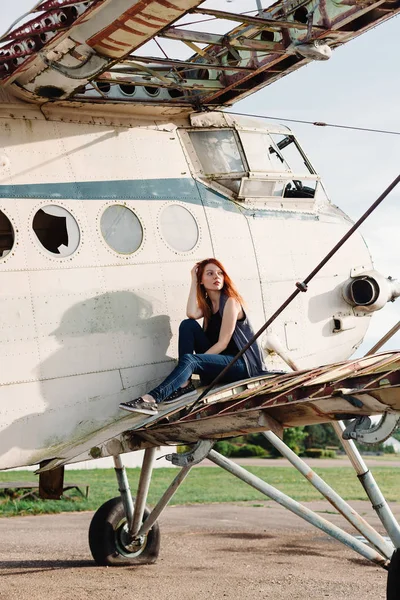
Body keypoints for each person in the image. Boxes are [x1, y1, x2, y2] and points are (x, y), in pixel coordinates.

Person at [119, 258, 269, 415]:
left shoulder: (231, 302)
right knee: (187, 324)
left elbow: (223, 343)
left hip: (240, 365)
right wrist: (193, 280)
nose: (216, 277)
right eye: (210, 274)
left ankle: (151, 399)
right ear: (202, 281)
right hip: (221, 361)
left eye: (220, 273)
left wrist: (193, 364)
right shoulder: (209, 305)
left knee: (190, 360)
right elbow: (191, 313)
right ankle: (184, 385)